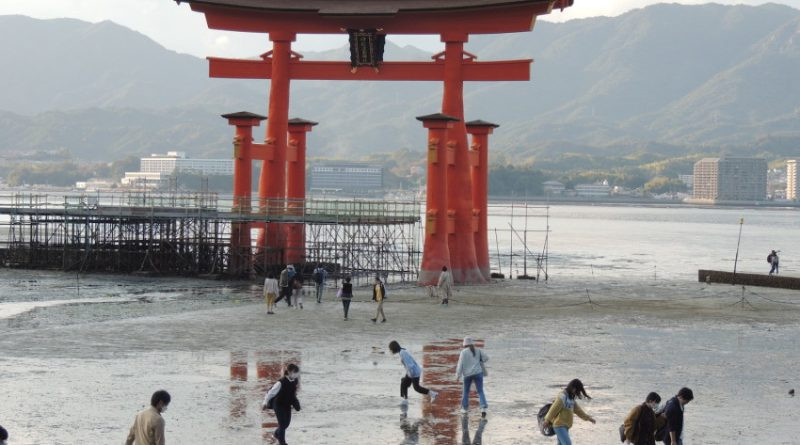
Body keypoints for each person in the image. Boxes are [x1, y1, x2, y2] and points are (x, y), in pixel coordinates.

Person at [542, 379, 596, 445]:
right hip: (559, 425)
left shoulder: (571, 399)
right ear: (572, 387)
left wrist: (589, 418)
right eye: (577, 390)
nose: (577, 393)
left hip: (565, 426)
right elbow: (554, 409)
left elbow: (579, 411)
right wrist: (547, 421)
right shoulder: (562, 396)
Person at [262, 364, 302, 445]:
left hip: (287, 404)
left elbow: (292, 394)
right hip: (278, 404)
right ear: (290, 372)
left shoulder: (295, 381)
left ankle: (277, 434)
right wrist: (265, 402)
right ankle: (282, 442)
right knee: (282, 424)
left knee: (286, 424)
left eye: (297, 372)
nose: (297, 374)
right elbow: (270, 393)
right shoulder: (281, 382)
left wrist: (296, 404)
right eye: (295, 372)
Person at [389, 340, 438, 405]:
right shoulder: (402, 351)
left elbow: (410, 365)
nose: (391, 351)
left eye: (391, 349)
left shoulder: (402, 353)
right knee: (404, 383)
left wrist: (411, 375)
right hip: (412, 371)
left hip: (414, 372)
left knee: (416, 388)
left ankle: (433, 394)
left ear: (394, 348)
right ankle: (404, 399)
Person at [455, 337, 489, 417]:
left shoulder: (463, 352)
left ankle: (464, 409)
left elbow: (460, 365)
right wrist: (480, 360)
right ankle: (483, 408)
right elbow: (486, 358)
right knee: (480, 391)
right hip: (478, 373)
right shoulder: (478, 350)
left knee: (466, 392)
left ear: (464, 344)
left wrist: (457, 376)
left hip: (467, 375)